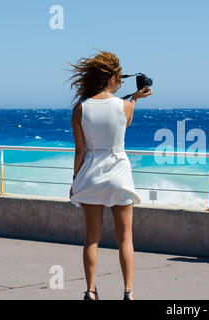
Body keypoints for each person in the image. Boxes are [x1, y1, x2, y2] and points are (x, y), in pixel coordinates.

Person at [68, 51, 152, 300]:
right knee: (125, 237)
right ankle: (128, 292)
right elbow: (125, 121)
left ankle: (91, 290)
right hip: (119, 174)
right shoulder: (125, 106)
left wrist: (75, 181)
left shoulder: (80, 109)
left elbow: (80, 150)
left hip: (91, 173)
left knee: (91, 238)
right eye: (120, 78)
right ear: (114, 77)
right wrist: (135, 98)